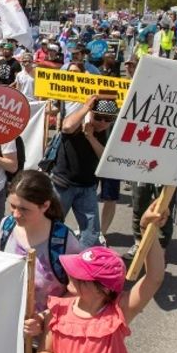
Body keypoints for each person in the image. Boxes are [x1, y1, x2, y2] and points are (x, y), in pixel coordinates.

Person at [36, 203, 167, 353]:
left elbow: (154, 278)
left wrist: (148, 230)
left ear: (103, 290)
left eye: (81, 276)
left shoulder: (118, 311)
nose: (71, 275)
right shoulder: (58, 309)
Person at [0, 170, 82, 353]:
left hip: (47, 343)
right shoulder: (6, 227)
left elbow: (80, 293)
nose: (15, 214)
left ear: (45, 206)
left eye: (24, 209)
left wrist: (44, 318)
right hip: (11, 334)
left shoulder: (64, 242)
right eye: (12, 206)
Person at [50, 96, 117, 248]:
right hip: (63, 184)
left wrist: (90, 137)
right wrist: (86, 107)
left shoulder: (108, 132)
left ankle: (85, 264)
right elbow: (66, 127)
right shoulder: (78, 122)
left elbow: (104, 158)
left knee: (91, 232)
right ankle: (50, 259)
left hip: (87, 187)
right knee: (52, 225)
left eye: (108, 119)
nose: (102, 123)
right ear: (91, 113)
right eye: (98, 117)